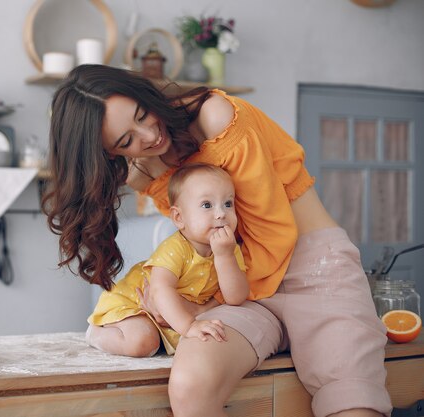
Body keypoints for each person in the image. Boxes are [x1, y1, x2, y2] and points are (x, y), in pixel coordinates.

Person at [44, 64, 391, 417]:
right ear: (109, 153)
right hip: (241, 287)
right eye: (126, 141)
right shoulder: (143, 170)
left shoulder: (212, 115)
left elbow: (273, 235)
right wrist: (177, 304)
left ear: (145, 95)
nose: (147, 136)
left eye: (142, 115)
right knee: (191, 386)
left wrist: (204, 307)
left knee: (353, 404)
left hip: (313, 269)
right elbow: (202, 237)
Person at [87, 163, 248, 357]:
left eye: (228, 204)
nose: (221, 213)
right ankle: (96, 333)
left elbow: (236, 297)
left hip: (171, 314)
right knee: (143, 343)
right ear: (179, 218)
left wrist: (225, 257)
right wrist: (189, 326)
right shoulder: (175, 248)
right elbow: (160, 291)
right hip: (135, 304)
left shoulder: (229, 249)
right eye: (207, 205)